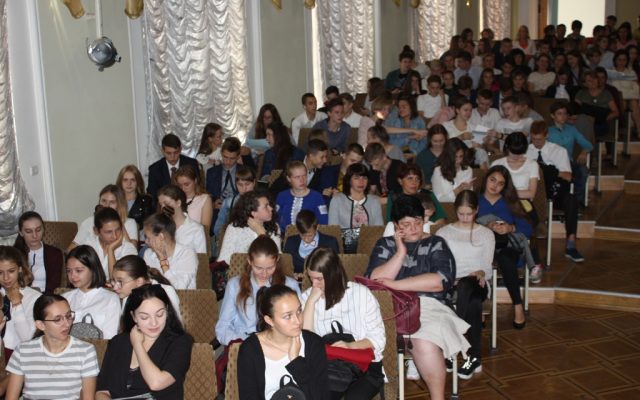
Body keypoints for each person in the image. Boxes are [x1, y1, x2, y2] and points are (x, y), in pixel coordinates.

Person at [365, 195, 470, 399]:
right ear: (395, 225)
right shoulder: (385, 244)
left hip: (430, 306)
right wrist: (400, 253)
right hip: (390, 308)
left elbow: (440, 281)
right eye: (406, 224)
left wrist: (395, 284)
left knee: (423, 341)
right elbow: (374, 280)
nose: (413, 228)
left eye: (418, 222)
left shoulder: (436, 243)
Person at [302, 247, 385, 398]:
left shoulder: (361, 294)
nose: (314, 284)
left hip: (364, 366)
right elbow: (307, 343)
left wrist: (349, 346)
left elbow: (378, 340)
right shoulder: (307, 298)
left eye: (319, 279)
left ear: (333, 274)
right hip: (328, 366)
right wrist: (311, 302)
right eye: (311, 277)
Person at [96, 284, 193, 399]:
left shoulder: (180, 342)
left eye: (160, 314)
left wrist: (137, 344)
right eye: (144, 317)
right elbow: (102, 391)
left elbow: (156, 383)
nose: (154, 323)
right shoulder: (118, 342)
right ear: (133, 316)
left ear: (167, 310)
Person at [436, 191, 494, 379]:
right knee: (474, 303)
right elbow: (439, 264)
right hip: (451, 283)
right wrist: (452, 278)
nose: (465, 218)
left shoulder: (486, 234)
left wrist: (481, 272)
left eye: (469, 214)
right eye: (461, 213)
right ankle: (474, 357)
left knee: (467, 285)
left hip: (478, 283)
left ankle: (454, 342)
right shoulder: (444, 233)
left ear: (476, 210)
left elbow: (487, 268)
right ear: (455, 211)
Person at [238, 284, 329, 400]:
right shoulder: (250, 350)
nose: (298, 321)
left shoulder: (314, 343)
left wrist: (296, 361)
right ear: (269, 320)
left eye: (299, 311)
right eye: (287, 316)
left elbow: (322, 396)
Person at [5, 295, 99, 400]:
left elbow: (88, 397)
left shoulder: (85, 351)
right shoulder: (23, 351)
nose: (67, 324)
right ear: (41, 325)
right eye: (57, 319)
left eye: (68, 316)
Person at [217, 235, 300, 347]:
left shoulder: (290, 285)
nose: (264, 274)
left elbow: (298, 323)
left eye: (270, 268)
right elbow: (223, 327)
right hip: (245, 342)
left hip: (280, 344)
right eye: (259, 268)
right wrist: (241, 343)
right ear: (249, 261)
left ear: (277, 261)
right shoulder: (235, 285)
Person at [477, 165, 534, 322]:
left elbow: (528, 228)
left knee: (506, 258)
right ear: (486, 179)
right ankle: (480, 306)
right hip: (481, 249)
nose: (495, 186)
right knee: (477, 259)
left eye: (500, 183)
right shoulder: (475, 200)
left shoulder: (510, 202)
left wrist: (510, 228)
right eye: (492, 180)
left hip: (506, 247)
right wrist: (486, 226)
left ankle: (518, 305)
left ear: (505, 186)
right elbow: (463, 224)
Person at [526, 121, 584, 262]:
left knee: (571, 200)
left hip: (554, 192)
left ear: (547, 135)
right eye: (533, 139)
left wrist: (547, 170)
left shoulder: (559, 151)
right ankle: (528, 249)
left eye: (539, 139)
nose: (536, 142)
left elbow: (568, 176)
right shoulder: (526, 151)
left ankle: (571, 243)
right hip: (532, 193)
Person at [63, 245, 121, 339]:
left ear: (93, 269)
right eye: (69, 271)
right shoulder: (64, 298)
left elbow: (110, 337)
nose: (72, 276)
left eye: (78, 270)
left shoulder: (110, 299)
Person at [328, 163, 384, 253]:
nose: (361, 182)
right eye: (356, 178)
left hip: (370, 246)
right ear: (349, 180)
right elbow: (333, 231)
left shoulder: (374, 201)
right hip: (344, 247)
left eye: (364, 178)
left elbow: (378, 230)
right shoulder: (337, 200)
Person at [217, 189, 281, 266]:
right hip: (238, 271)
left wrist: (262, 234)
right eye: (266, 206)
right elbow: (224, 259)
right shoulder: (235, 227)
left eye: (269, 205)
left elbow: (277, 257)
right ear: (253, 213)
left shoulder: (274, 227)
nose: (271, 208)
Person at [548, 101, 593, 206]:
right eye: (559, 113)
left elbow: (588, 145)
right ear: (552, 116)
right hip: (552, 163)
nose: (563, 116)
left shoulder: (572, 129)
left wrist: (584, 151)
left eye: (565, 113)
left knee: (583, 171)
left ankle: (577, 201)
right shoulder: (547, 130)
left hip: (568, 162)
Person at [0, 247, 41, 362]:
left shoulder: (35, 297)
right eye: (0, 273)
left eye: (11, 271)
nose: (6, 278)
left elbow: (27, 338)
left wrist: (17, 305)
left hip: (21, 357)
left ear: (20, 269)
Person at [70, 184, 139, 250]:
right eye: (103, 201)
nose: (106, 206)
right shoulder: (88, 221)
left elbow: (133, 251)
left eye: (112, 202)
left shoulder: (130, 223)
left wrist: (118, 221)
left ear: (120, 205)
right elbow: (71, 249)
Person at [111, 255, 181, 319]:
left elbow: (176, 324)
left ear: (139, 281)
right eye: (114, 281)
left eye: (120, 282)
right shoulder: (127, 296)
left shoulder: (167, 291)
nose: (115, 288)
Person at [143, 213, 198, 290]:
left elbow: (179, 289)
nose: (146, 241)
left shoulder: (187, 254)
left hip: (183, 297)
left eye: (148, 238)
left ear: (161, 237)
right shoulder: (148, 254)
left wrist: (163, 261)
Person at [13, 211, 63, 293]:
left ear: (43, 229)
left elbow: (54, 285)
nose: (34, 235)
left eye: (38, 230)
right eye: (28, 231)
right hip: (20, 295)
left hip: (46, 297)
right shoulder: (14, 255)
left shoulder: (54, 253)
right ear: (21, 233)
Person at [84, 207, 138, 279]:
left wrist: (111, 250)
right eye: (109, 232)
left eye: (118, 230)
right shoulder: (88, 246)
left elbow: (116, 280)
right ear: (96, 231)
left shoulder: (128, 248)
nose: (115, 236)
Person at [283, 210, 340, 277]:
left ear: (317, 227)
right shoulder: (290, 242)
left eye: (310, 235)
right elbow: (285, 267)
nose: (306, 239)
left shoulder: (330, 242)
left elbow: (336, 269)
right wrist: (293, 275)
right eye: (302, 235)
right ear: (298, 229)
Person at [276, 161, 328, 233]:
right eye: (297, 177)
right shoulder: (282, 196)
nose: (302, 180)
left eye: (304, 176)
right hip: (284, 236)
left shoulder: (317, 197)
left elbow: (323, 223)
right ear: (288, 178)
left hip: (309, 236)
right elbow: (276, 219)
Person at [157, 184, 207, 254]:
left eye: (166, 203)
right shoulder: (160, 226)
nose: (163, 208)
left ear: (178, 203)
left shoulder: (196, 229)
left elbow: (201, 257)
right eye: (161, 205)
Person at [441, 97, 489, 168]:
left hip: (470, 158)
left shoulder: (474, 127)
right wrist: (461, 137)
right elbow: (443, 145)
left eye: (470, 110)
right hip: (453, 157)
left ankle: (484, 173)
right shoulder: (446, 126)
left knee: (481, 152)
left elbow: (480, 148)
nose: (468, 113)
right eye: (465, 110)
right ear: (457, 110)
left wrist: (482, 144)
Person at [147, 133, 199, 199]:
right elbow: (152, 194)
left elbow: (198, 187)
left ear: (180, 150)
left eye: (176, 152)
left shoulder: (191, 164)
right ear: (162, 151)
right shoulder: (155, 169)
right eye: (168, 153)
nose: (172, 156)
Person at [491, 132, 539, 201]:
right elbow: (490, 188)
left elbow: (531, 193)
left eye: (520, 153)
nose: (516, 156)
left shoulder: (532, 164)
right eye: (513, 153)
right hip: (500, 201)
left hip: (522, 202)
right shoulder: (497, 163)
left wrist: (504, 192)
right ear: (507, 148)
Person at [213, 165, 256, 237]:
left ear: (254, 182)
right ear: (236, 184)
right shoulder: (228, 202)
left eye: (247, 184)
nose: (244, 188)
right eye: (240, 185)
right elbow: (217, 229)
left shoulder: (261, 202)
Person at [173, 164, 214, 235]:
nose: (183, 188)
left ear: (195, 181)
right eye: (180, 185)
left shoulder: (205, 199)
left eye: (186, 184)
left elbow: (205, 229)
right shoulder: (174, 199)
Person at [206, 136, 244, 212]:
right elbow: (207, 195)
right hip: (218, 211)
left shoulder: (245, 171)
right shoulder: (211, 172)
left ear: (238, 156)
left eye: (232, 158)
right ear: (221, 153)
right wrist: (213, 204)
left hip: (239, 211)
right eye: (225, 157)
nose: (228, 161)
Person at [432, 138, 474, 202]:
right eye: (455, 157)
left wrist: (468, 191)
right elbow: (438, 199)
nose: (458, 161)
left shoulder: (468, 170)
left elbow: (469, 198)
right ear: (448, 156)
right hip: (444, 207)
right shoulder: (438, 171)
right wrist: (458, 189)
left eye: (461, 156)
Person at [608, 49, 640, 132]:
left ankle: (639, 130)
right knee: (624, 102)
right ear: (615, 60)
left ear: (627, 61)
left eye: (624, 60)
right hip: (616, 98)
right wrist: (626, 94)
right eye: (619, 60)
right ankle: (620, 129)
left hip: (631, 98)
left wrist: (627, 95)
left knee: (634, 103)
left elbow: (636, 88)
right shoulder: (610, 73)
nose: (621, 62)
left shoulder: (631, 73)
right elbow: (614, 88)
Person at [116, 165, 154, 230]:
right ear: (120, 182)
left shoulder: (146, 200)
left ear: (138, 182)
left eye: (133, 180)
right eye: (125, 180)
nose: (129, 183)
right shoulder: (114, 200)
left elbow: (149, 224)